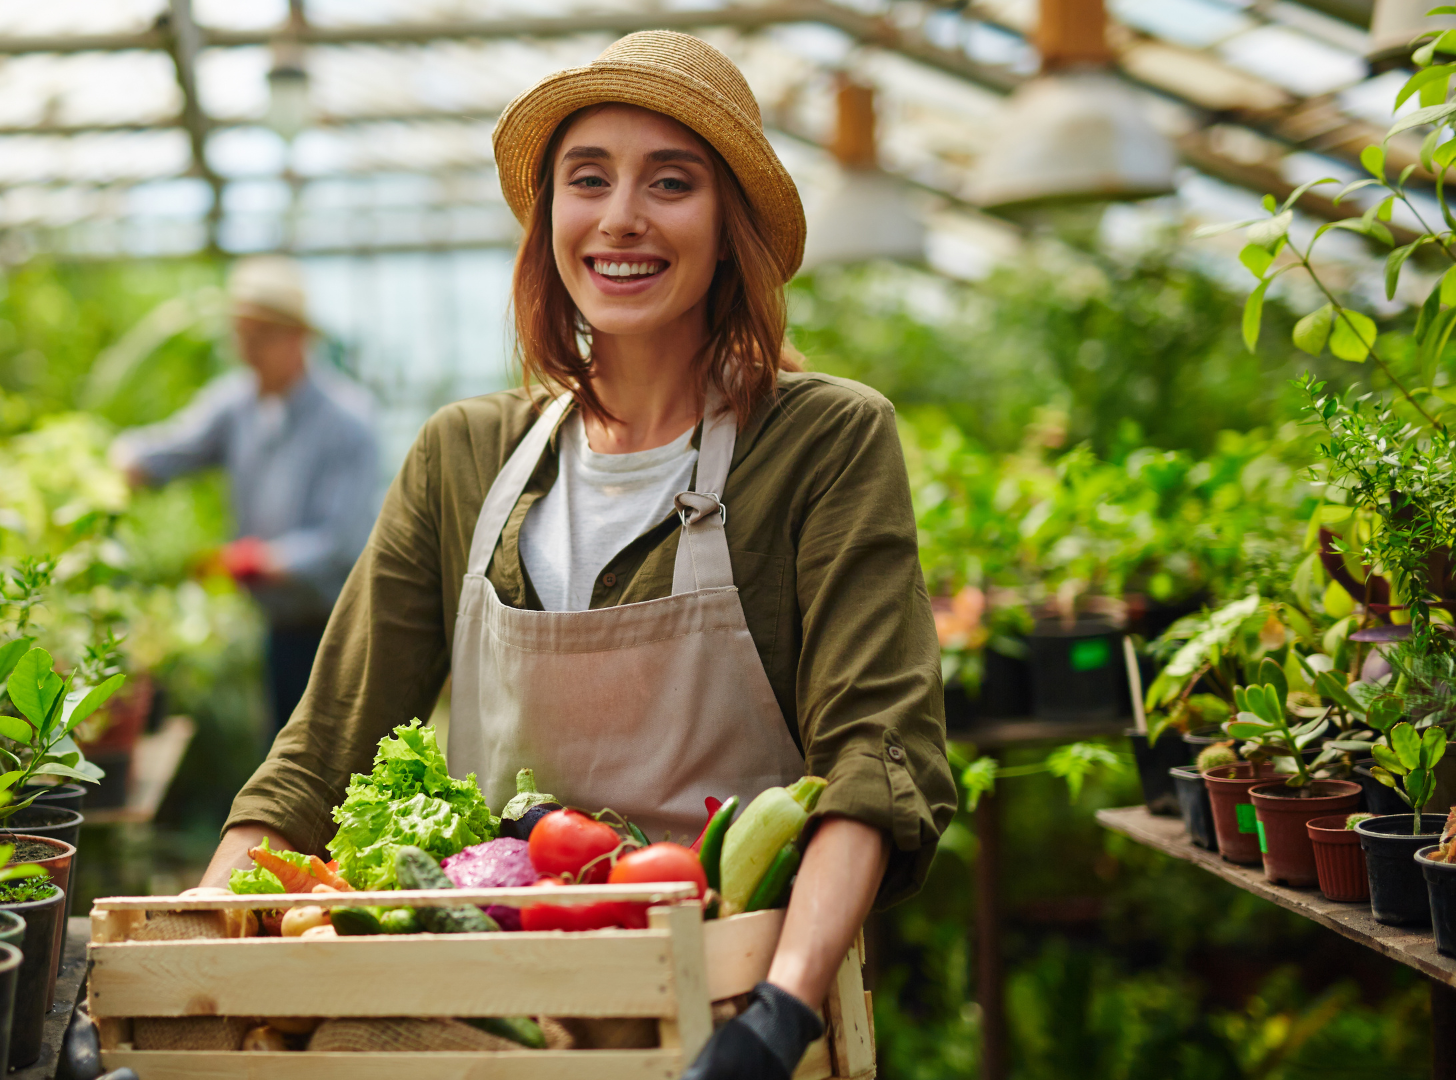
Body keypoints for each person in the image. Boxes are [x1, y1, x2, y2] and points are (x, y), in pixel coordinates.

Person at [194, 33, 954, 1079]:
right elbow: (322, 750)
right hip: (483, 1025)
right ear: (549, 216)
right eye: (586, 179)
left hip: (732, 1001)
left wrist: (782, 1014)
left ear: (729, 228)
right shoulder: (464, 457)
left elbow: (875, 757)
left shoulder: (822, 442)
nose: (621, 217)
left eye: (671, 182)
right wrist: (186, 948)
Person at [109, 255, 378, 731]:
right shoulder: (236, 404)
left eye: (261, 336)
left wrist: (261, 560)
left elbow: (341, 541)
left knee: (334, 752)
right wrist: (121, 460)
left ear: (298, 337)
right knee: (281, 744)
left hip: (338, 628)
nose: (248, 350)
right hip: (277, 623)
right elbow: (176, 448)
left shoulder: (348, 420)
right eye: (241, 335)